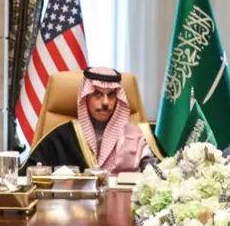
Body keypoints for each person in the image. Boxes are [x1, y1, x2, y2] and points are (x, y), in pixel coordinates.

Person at [25, 67, 160, 171]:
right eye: (98, 94)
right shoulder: (61, 136)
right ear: (86, 97)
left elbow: (156, 174)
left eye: (111, 95)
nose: (105, 102)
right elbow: (28, 173)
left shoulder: (134, 135)